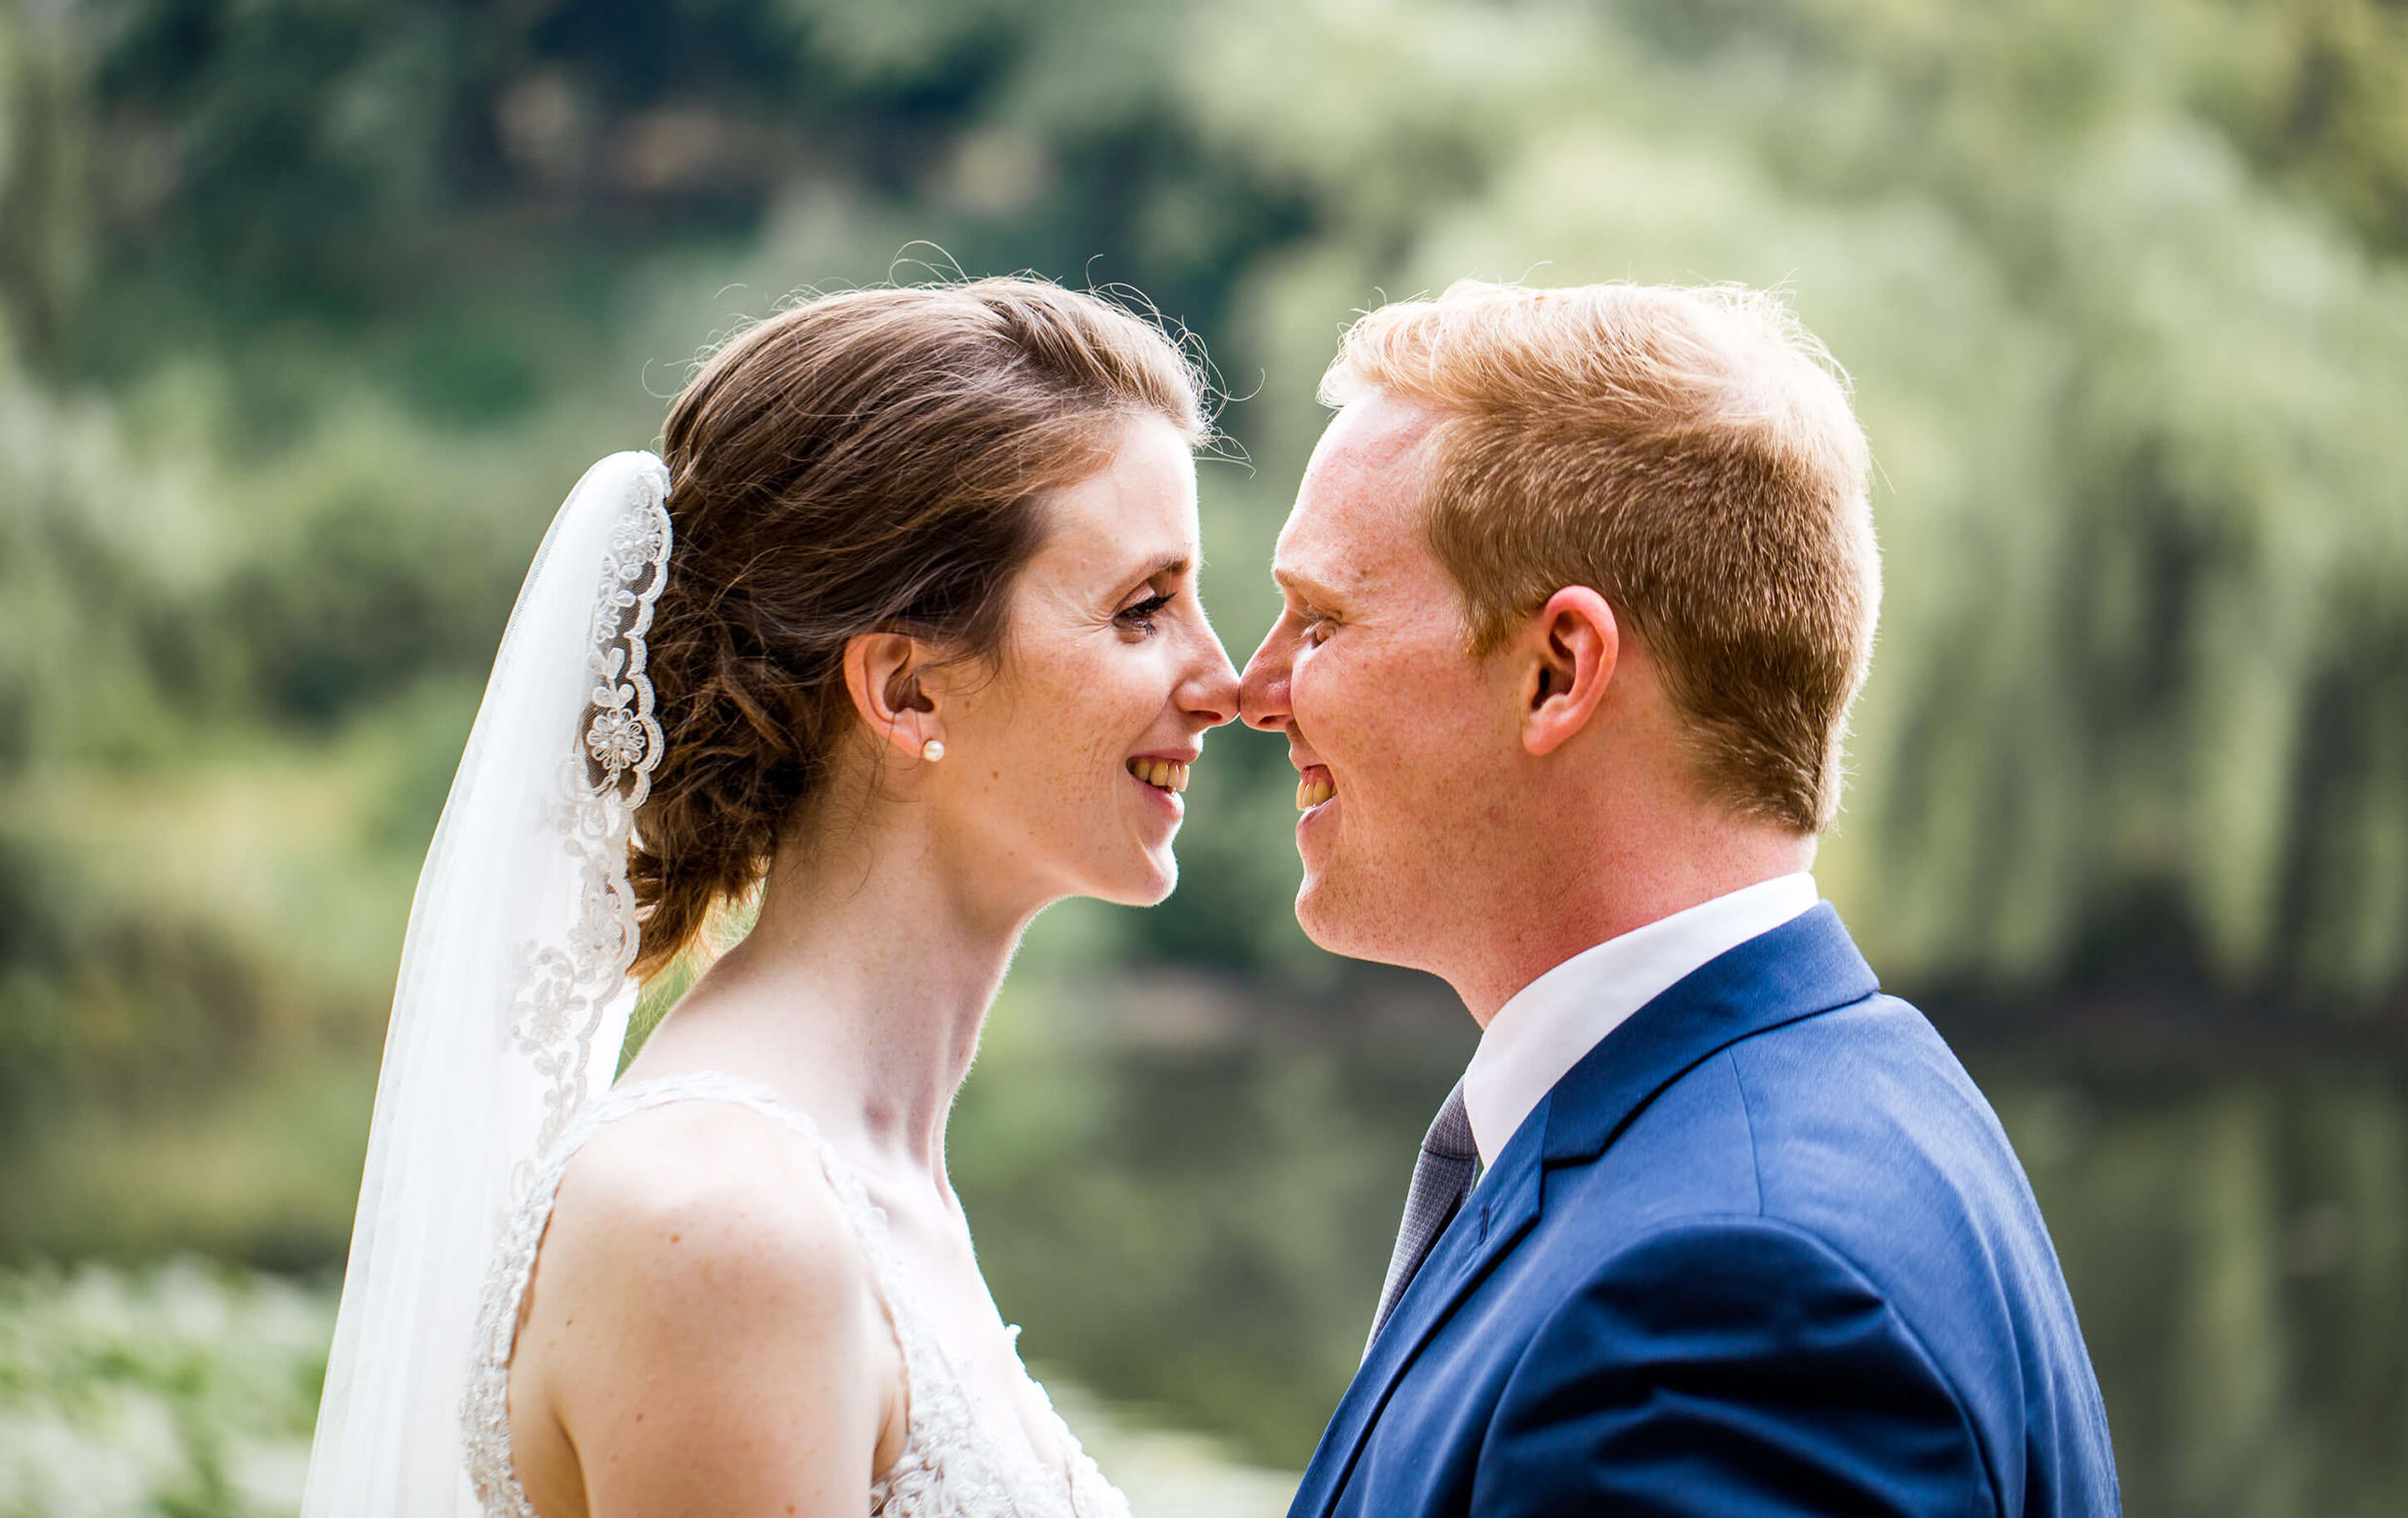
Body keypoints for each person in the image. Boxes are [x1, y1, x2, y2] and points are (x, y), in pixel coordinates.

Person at [302, 278, 1240, 1518]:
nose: (1224, 679)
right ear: (907, 691)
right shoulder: (719, 1230)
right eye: (1142, 610)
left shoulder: (861, 1181)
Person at [1241, 281, 2120, 1517]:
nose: (1252, 686)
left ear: (1559, 670)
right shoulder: (1848, 1082)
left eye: (1319, 619)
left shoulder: (1728, 1297)